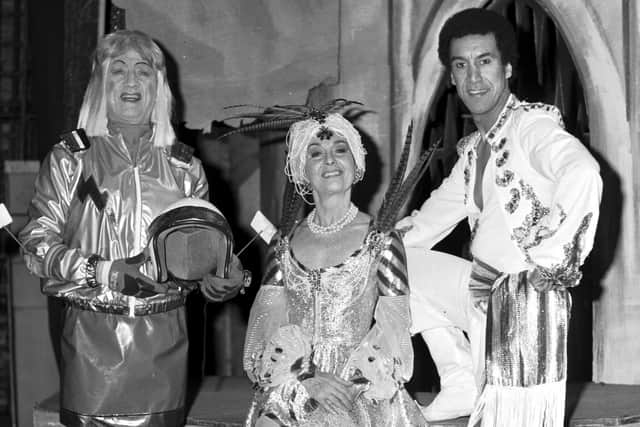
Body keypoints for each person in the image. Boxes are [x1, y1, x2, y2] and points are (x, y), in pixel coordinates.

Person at [19, 30, 246, 426]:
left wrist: (222, 277)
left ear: (158, 85)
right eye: (118, 69)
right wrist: (102, 271)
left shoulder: (184, 168)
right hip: (93, 344)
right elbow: (35, 244)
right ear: (100, 82)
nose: (130, 81)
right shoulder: (70, 158)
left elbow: (199, 257)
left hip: (165, 346)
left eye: (143, 71)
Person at [397, 8, 602, 426]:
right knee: (392, 259)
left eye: (484, 61)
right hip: (479, 295)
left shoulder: (531, 127)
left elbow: (583, 173)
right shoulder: (474, 153)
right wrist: (362, 247)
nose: (474, 77)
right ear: (451, 77)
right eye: (461, 65)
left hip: (520, 309)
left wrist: (552, 262)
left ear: (507, 67)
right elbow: (422, 227)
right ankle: (458, 380)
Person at [240, 109, 426, 426]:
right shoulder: (283, 244)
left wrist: (349, 388)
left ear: (355, 163)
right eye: (316, 153)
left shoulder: (381, 240)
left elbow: (394, 328)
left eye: (340, 150)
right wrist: (306, 376)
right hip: (295, 380)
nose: (329, 161)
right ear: (301, 170)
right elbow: (267, 327)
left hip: (359, 387)